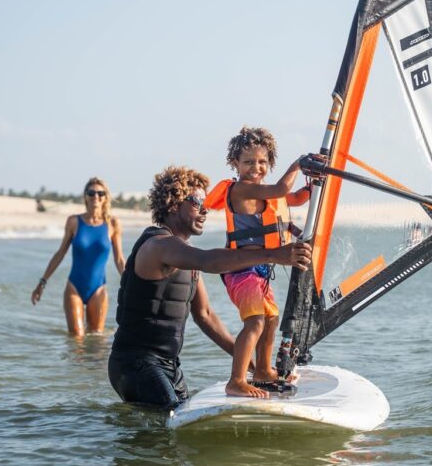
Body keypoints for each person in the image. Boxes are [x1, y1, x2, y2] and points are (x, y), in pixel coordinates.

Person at [107, 165, 311, 409]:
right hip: (135, 363)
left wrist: (254, 366)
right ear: (173, 204)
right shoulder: (158, 245)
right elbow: (209, 261)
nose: (205, 210)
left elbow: (206, 316)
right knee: (168, 424)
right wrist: (275, 255)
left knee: (180, 418)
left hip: (170, 365)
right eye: (196, 203)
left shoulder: (184, 255)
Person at [204, 126, 311, 397]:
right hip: (241, 269)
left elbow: (295, 197)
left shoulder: (265, 193)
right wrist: (298, 164)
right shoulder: (241, 190)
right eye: (248, 162)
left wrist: (317, 185)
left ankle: (262, 370)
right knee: (255, 323)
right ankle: (236, 380)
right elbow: (282, 188)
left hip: (261, 270)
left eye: (263, 162)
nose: (256, 167)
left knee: (271, 320)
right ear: (235, 164)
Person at [31, 177, 125, 336]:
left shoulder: (113, 224)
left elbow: (119, 260)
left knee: (96, 339)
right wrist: (42, 282)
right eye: (91, 192)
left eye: (100, 193)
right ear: (85, 196)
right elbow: (60, 253)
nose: (96, 196)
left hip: (99, 289)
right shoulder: (74, 222)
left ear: (105, 198)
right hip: (74, 287)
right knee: (76, 338)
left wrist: (134, 286)